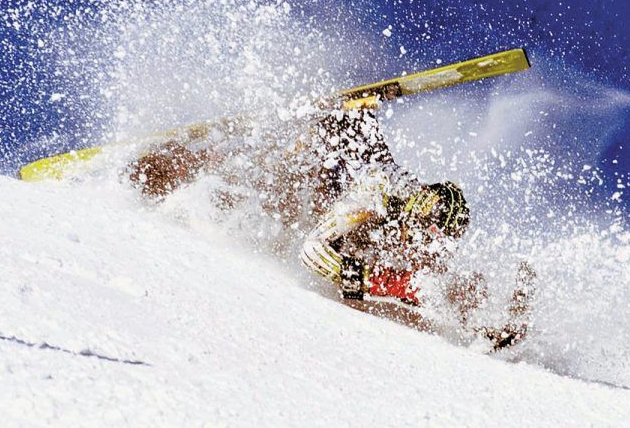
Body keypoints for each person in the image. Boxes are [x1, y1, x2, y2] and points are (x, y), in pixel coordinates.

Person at [127, 105, 535, 350]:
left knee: (438, 282)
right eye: (428, 236)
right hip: (314, 178)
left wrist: (491, 323)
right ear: (416, 215)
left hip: (332, 193)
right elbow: (312, 253)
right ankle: (160, 167)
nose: (429, 248)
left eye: (442, 242)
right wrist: (385, 282)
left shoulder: (424, 247)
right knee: (273, 183)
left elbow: (439, 290)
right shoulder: (376, 195)